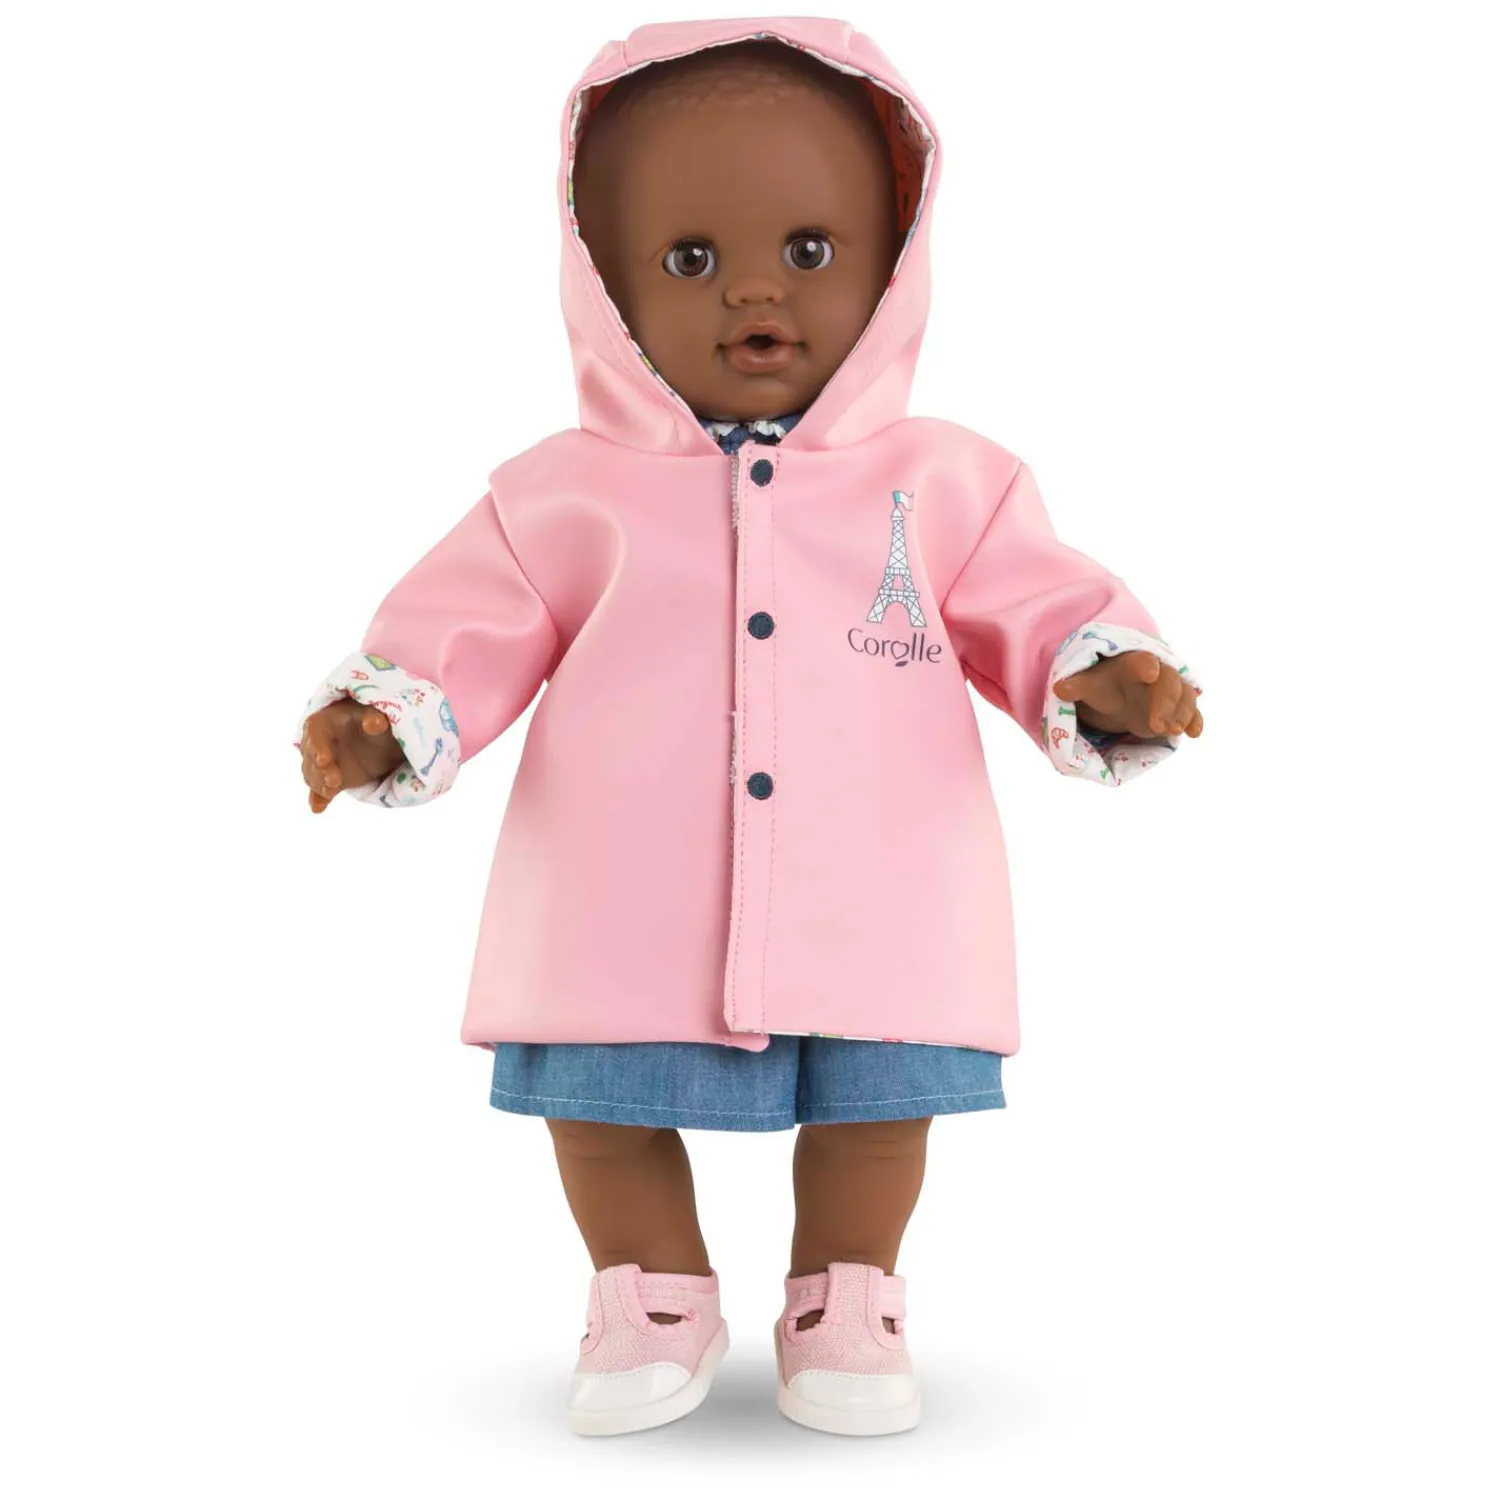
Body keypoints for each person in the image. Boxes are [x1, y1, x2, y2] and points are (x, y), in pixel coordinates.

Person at [294, 19, 1204, 1439]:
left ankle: (849, 1291)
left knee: (878, 1105)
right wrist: (388, 711)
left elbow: (1036, 602)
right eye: (690, 260)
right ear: (603, 287)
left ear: (893, 268)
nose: (757, 292)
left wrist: (1100, 673)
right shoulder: (561, 495)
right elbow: (466, 626)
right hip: (618, 891)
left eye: (812, 250)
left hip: (880, 882)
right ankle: (646, 1285)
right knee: (597, 1102)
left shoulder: (946, 485)